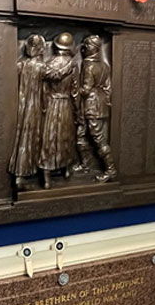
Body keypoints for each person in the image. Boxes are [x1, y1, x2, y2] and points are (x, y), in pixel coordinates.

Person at [38, 32, 80, 188]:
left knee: (49, 138)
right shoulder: (73, 65)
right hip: (66, 105)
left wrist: (43, 107)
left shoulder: (48, 64)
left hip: (51, 105)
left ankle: (46, 177)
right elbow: (75, 91)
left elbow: (43, 90)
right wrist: (77, 110)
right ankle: (66, 168)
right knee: (66, 136)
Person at [75, 35, 117, 182]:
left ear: (96, 48)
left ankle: (110, 170)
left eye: (88, 45)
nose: (85, 47)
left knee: (98, 138)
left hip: (91, 105)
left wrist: (73, 89)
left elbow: (86, 89)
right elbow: (108, 88)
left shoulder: (89, 65)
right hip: (100, 104)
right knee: (81, 134)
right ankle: (85, 164)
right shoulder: (105, 66)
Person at [11, 34, 46, 190]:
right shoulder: (41, 67)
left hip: (22, 108)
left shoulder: (20, 65)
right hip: (36, 107)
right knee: (32, 137)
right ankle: (24, 172)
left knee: (25, 137)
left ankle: (23, 172)